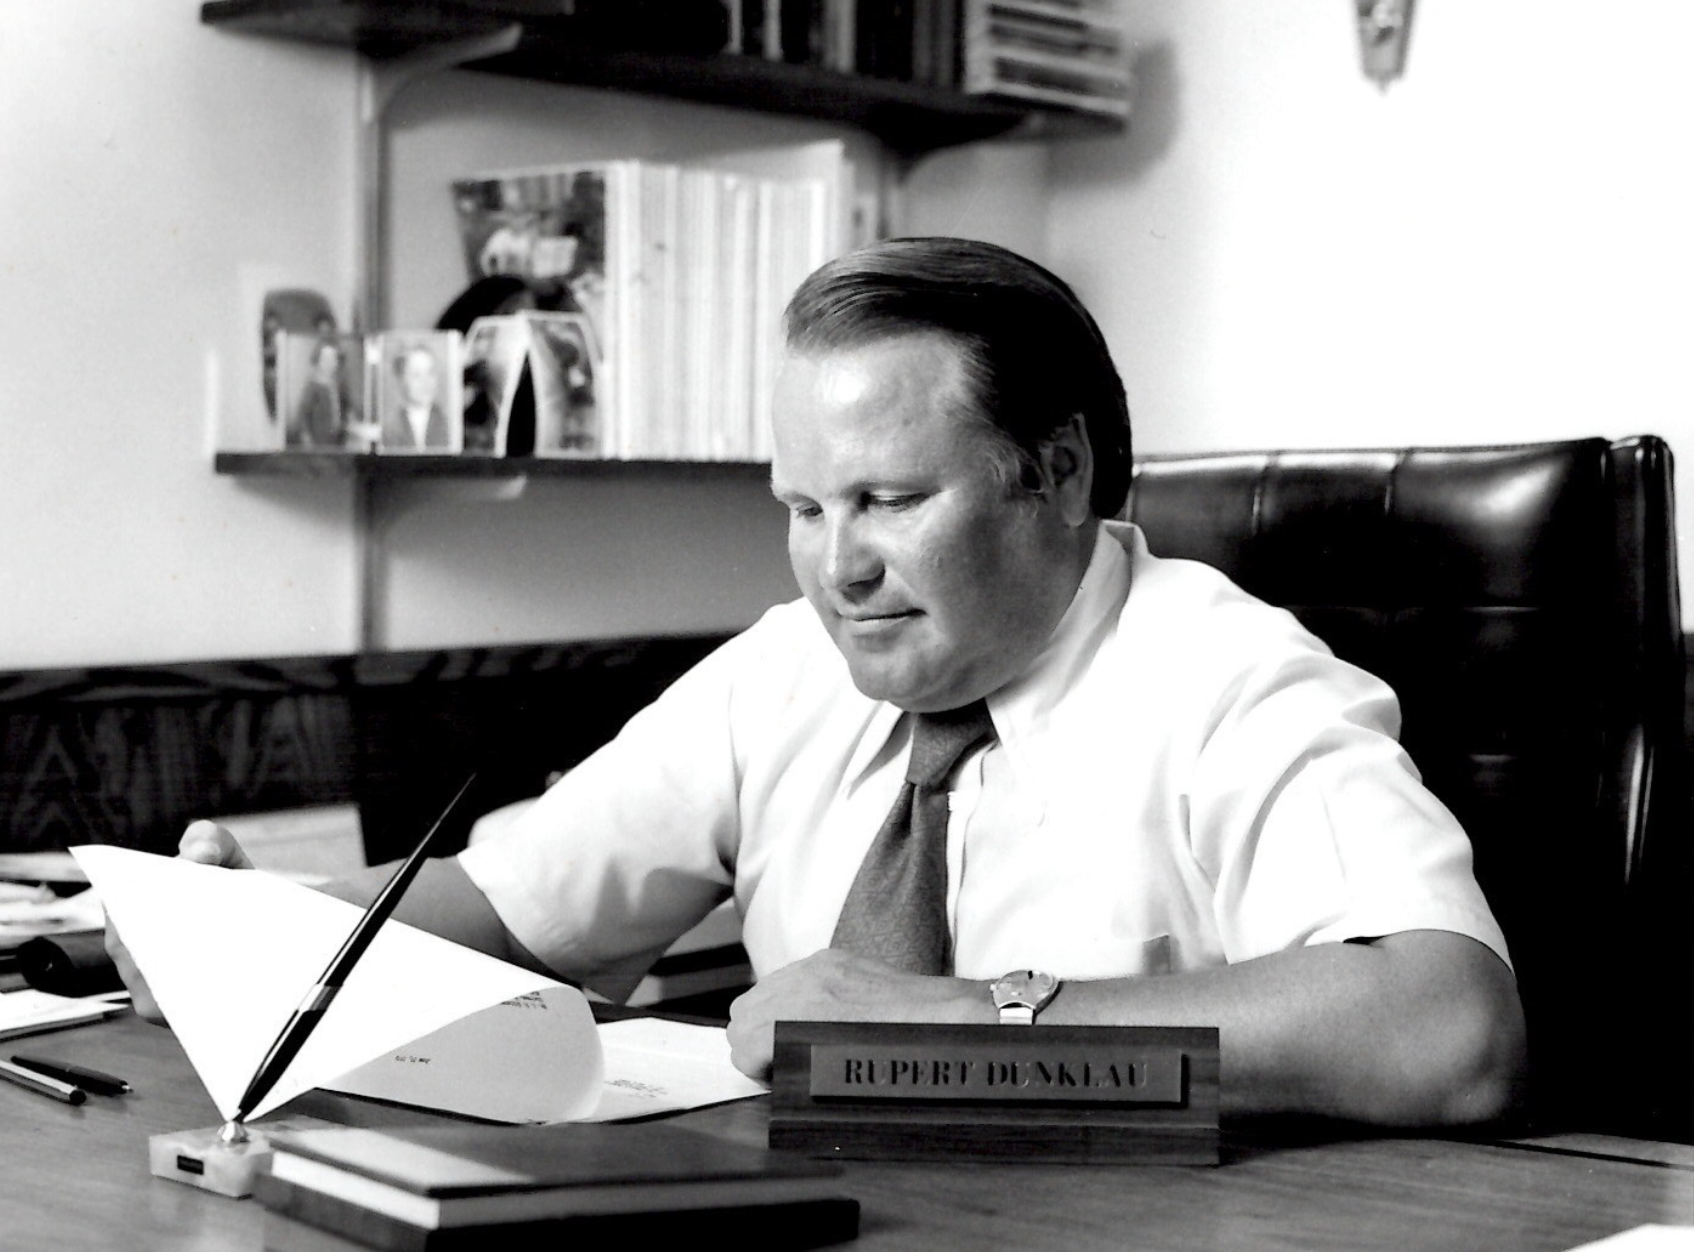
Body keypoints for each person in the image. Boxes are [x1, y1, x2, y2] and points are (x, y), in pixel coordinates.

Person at [109, 238, 1526, 1126]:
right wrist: (245, 932)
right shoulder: (792, 664)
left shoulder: (1230, 676)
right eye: (801, 505)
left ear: (1060, 472)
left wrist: (966, 1026)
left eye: (889, 499)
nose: (832, 568)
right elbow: (516, 907)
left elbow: (1444, 1026)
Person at [381, 344, 451, 451]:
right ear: (402, 380)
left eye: (430, 373)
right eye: (416, 375)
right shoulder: (390, 428)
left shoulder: (449, 424)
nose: (425, 382)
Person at [288, 338, 344, 449]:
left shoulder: (333, 384)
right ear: (319, 361)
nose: (332, 363)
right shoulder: (313, 386)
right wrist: (307, 440)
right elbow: (302, 415)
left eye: (334, 359)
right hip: (317, 442)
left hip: (332, 441)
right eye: (327, 359)